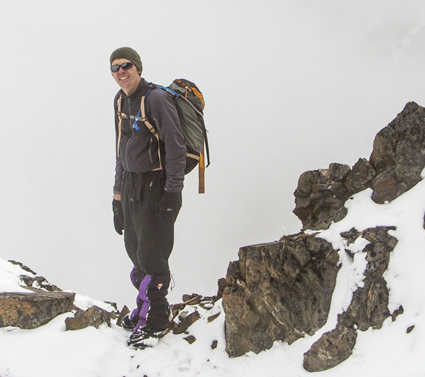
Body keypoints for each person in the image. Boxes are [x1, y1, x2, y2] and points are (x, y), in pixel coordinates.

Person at [110, 47, 186, 349]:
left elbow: (177, 147)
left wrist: (172, 193)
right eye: (115, 68)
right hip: (130, 185)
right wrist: (117, 196)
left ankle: (157, 321)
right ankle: (143, 308)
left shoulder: (155, 99)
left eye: (126, 65)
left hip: (157, 185)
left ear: (137, 67)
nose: (121, 72)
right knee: (134, 250)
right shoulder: (120, 100)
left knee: (152, 256)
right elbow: (119, 150)